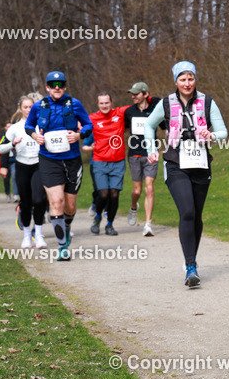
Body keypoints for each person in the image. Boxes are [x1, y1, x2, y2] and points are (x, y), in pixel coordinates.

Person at [144, 61, 227, 287]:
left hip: (200, 163)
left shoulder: (207, 102)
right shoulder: (167, 103)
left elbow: (223, 132)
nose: (187, 83)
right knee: (187, 211)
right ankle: (190, 266)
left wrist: (211, 135)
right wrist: (151, 149)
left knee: (196, 215)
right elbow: (149, 126)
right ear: (176, 82)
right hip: (175, 163)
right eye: (182, 79)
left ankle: (191, 259)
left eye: (190, 78)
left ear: (195, 80)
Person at [25, 70, 93, 261]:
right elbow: (29, 126)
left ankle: (67, 225)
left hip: (72, 159)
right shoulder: (39, 106)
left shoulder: (74, 103)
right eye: (53, 85)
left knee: (70, 206)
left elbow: (88, 125)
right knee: (56, 202)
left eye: (61, 85)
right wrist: (34, 135)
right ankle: (63, 247)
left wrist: (79, 135)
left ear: (65, 86)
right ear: (47, 87)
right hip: (49, 159)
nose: (57, 88)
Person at [0, 94, 48, 248]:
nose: (28, 110)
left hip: (39, 165)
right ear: (20, 109)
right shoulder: (14, 128)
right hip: (22, 166)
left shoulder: (42, 124)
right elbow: (0, 149)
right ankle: (27, 235)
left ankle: (38, 234)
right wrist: (12, 144)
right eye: (25, 107)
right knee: (26, 203)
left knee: (39, 200)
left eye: (31, 107)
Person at [85, 92, 128, 236]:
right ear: (98, 104)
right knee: (103, 194)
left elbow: (136, 106)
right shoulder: (92, 119)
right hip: (100, 161)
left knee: (114, 194)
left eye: (106, 103)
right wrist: (90, 146)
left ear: (111, 102)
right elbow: (83, 136)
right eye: (101, 103)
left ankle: (110, 225)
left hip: (118, 161)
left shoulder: (119, 113)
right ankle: (97, 217)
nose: (104, 105)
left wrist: (147, 98)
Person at [124, 82, 161, 236]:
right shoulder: (129, 112)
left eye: (136, 94)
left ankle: (147, 224)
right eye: (132, 93)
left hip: (151, 154)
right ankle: (134, 207)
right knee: (137, 190)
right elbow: (125, 129)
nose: (133, 96)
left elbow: (165, 125)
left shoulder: (155, 110)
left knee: (150, 187)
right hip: (134, 154)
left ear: (145, 94)